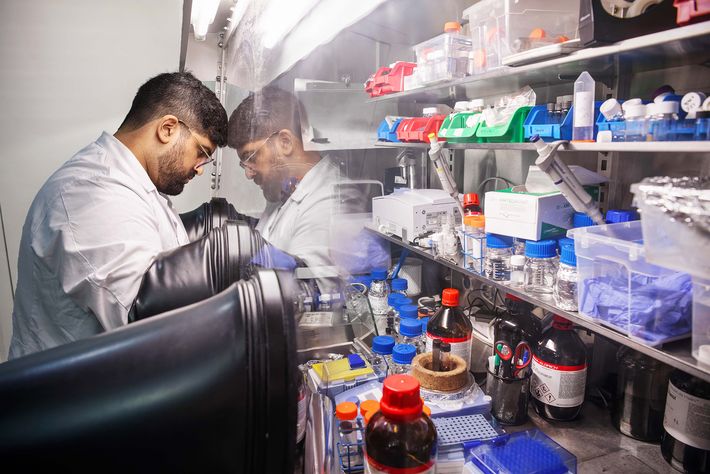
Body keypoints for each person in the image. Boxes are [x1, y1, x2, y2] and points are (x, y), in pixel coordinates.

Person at [9, 72, 228, 358]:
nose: (200, 168)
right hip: (72, 398)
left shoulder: (134, 186)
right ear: (168, 129)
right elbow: (148, 314)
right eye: (201, 152)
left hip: (105, 387)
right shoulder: (90, 193)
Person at [227, 86, 348, 276]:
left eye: (251, 158)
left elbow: (309, 292)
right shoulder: (284, 190)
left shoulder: (327, 201)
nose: (248, 174)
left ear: (285, 142)